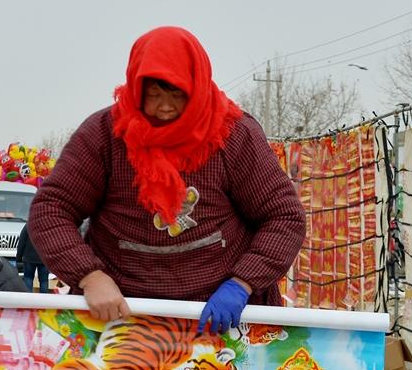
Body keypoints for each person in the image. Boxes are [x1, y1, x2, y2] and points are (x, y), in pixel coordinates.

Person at [28, 26, 305, 331]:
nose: (164, 107)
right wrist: (90, 276)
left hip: (221, 316)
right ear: (136, 88)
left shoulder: (234, 135)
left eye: (176, 94)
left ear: (197, 87)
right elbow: (52, 209)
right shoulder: (104, 136)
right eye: (154, 94)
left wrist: (242, 283)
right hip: (119, 314)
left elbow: (284, 217)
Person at [14, 223, 49, 293]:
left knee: (28, 278)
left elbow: (21, 242)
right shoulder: (48, 226)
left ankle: (28, 300)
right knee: (44, 281)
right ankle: (44, 301)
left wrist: (18, 258)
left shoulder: (29, 225)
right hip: (44, 258)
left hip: (29, 258)